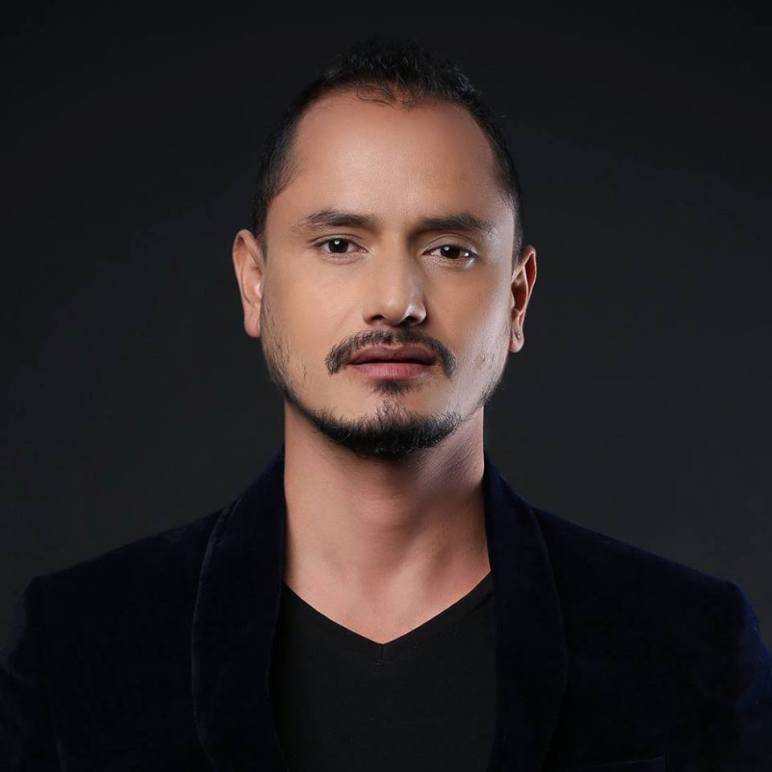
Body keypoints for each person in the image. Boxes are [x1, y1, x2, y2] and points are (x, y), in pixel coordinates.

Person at [1, 35, 771, 772]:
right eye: (340, 244)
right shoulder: (80, 649)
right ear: (254, 283)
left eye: (449, 250)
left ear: (517, 298)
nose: (398, 301)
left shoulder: (692, 649)